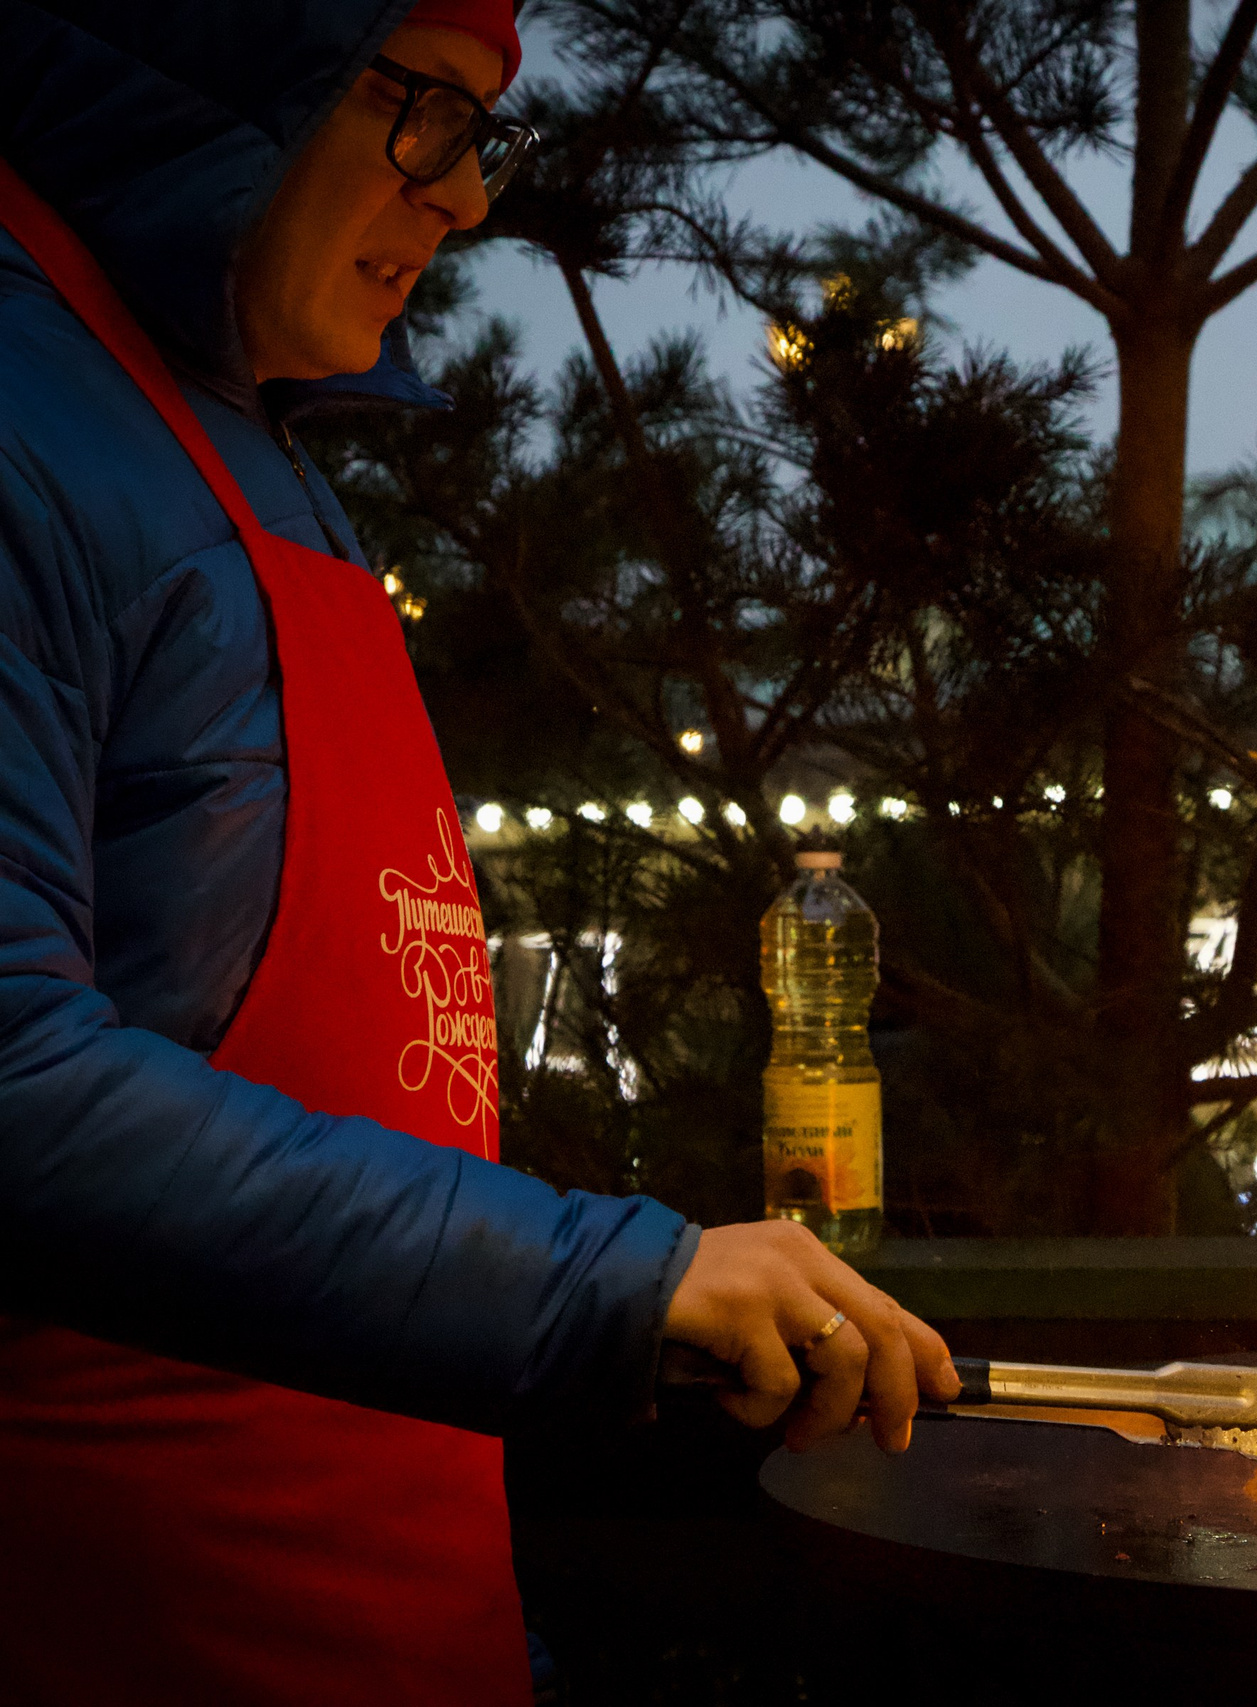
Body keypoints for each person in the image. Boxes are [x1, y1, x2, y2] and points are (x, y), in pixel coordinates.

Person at [0, 3, 957, 1699]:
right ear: (220, 64)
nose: (468, 202)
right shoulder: (23, 417)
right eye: (424, 111)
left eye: (481, 135)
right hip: (132, 1611)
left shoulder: (234, 439)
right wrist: (613, 1277)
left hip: (388, 1605)